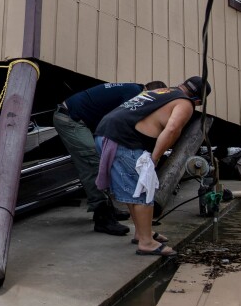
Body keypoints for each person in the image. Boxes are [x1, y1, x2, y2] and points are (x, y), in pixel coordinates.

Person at [95, 76, 211, 256]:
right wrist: (154, 159)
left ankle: (142, 233)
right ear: (197, 101)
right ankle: (146, 242)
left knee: (132, 190)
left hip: (105, 132)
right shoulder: (185, 103)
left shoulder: (161, 92)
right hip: (125, 139)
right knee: (144, 188)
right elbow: (172, 129)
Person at [53, 80, 167, 235]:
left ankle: (108, 207)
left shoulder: (133, 89)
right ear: (149, 93)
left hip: (82, 119)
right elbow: (125, 124)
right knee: (92, 162)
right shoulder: (134, 95)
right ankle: (103, 217)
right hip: (71, 119)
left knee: (106, 158)